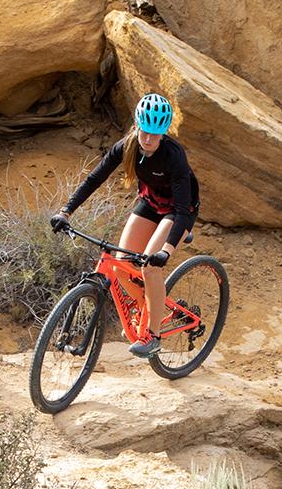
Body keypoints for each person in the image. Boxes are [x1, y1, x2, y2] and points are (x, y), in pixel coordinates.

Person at [50, 93, 199, 358]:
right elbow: (95, 178)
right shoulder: (127, 146)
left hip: (178, 212)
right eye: (145, 132)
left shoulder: (174, 156)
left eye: (156, 134)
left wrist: (165, 250)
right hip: (151, 204)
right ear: (136, 126)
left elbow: (182, 209)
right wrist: (66, 211)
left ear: (164, 133)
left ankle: (153, 336)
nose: (149, 139)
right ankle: (149, 305)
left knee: (150, 268)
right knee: (120, 266)